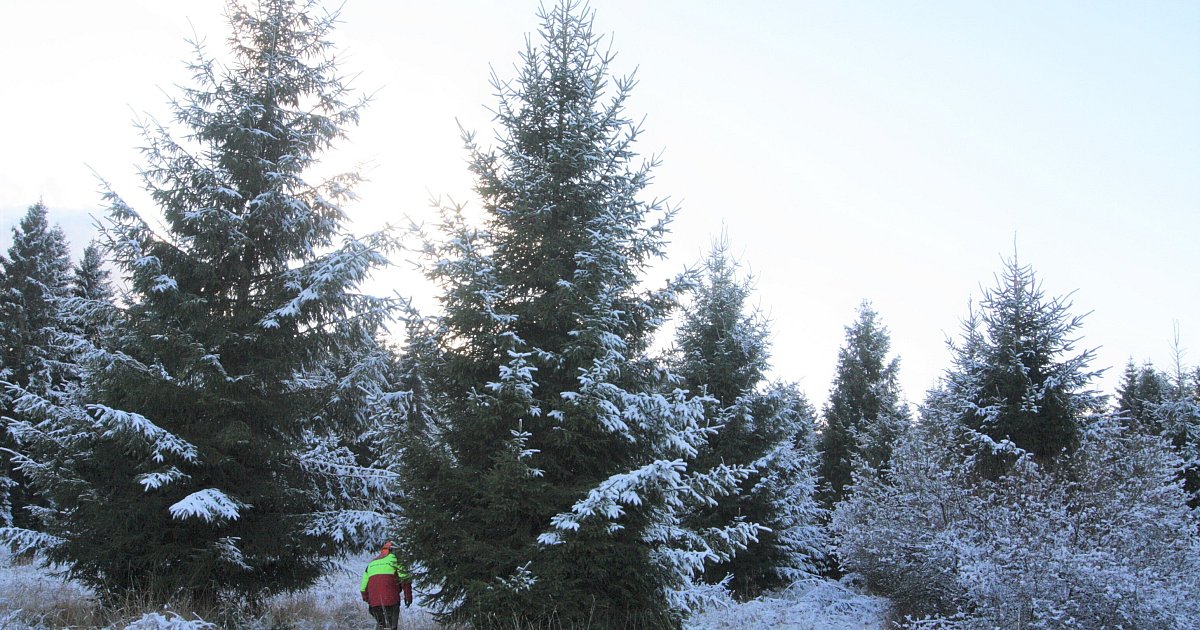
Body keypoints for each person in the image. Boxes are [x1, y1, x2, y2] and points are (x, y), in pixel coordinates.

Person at [359, 540, 413, 630]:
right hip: (391, 601)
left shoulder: (371, 564)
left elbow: (363, 588)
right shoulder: (396, 560)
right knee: (391, 626)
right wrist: (408, 597)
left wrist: (371, 601)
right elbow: (405, 580)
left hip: (374, 604)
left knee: (381, 625)